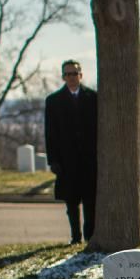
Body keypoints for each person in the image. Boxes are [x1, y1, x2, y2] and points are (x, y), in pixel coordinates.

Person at [44, 60, 98, 245]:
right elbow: (50, 132)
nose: (72, 77)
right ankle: (75, 237)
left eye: (75, 73)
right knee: (71, 201)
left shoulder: (93, 97)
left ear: (81, 75)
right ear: (63, 77)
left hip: (89, 159)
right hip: (67, 160)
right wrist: (53, 160)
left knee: (90, 201)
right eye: (68, 74)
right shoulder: (53, 101)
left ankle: (90, 236)